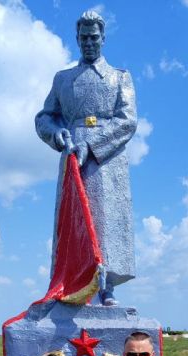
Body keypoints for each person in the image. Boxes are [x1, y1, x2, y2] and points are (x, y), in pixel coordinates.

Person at [35, 10, 137, 307]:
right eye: (84, 38)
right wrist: (58, 135)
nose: (89, 43)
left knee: (105, 220)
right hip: (72, 155)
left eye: (94, 37)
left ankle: (107, 287)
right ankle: (72, 283)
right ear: (77, 40)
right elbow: (44, 117)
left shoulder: (120, 78)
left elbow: (128, 120)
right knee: (74, 218)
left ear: (103, 38)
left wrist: (91, 145)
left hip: (107, 156)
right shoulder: (63, 79)